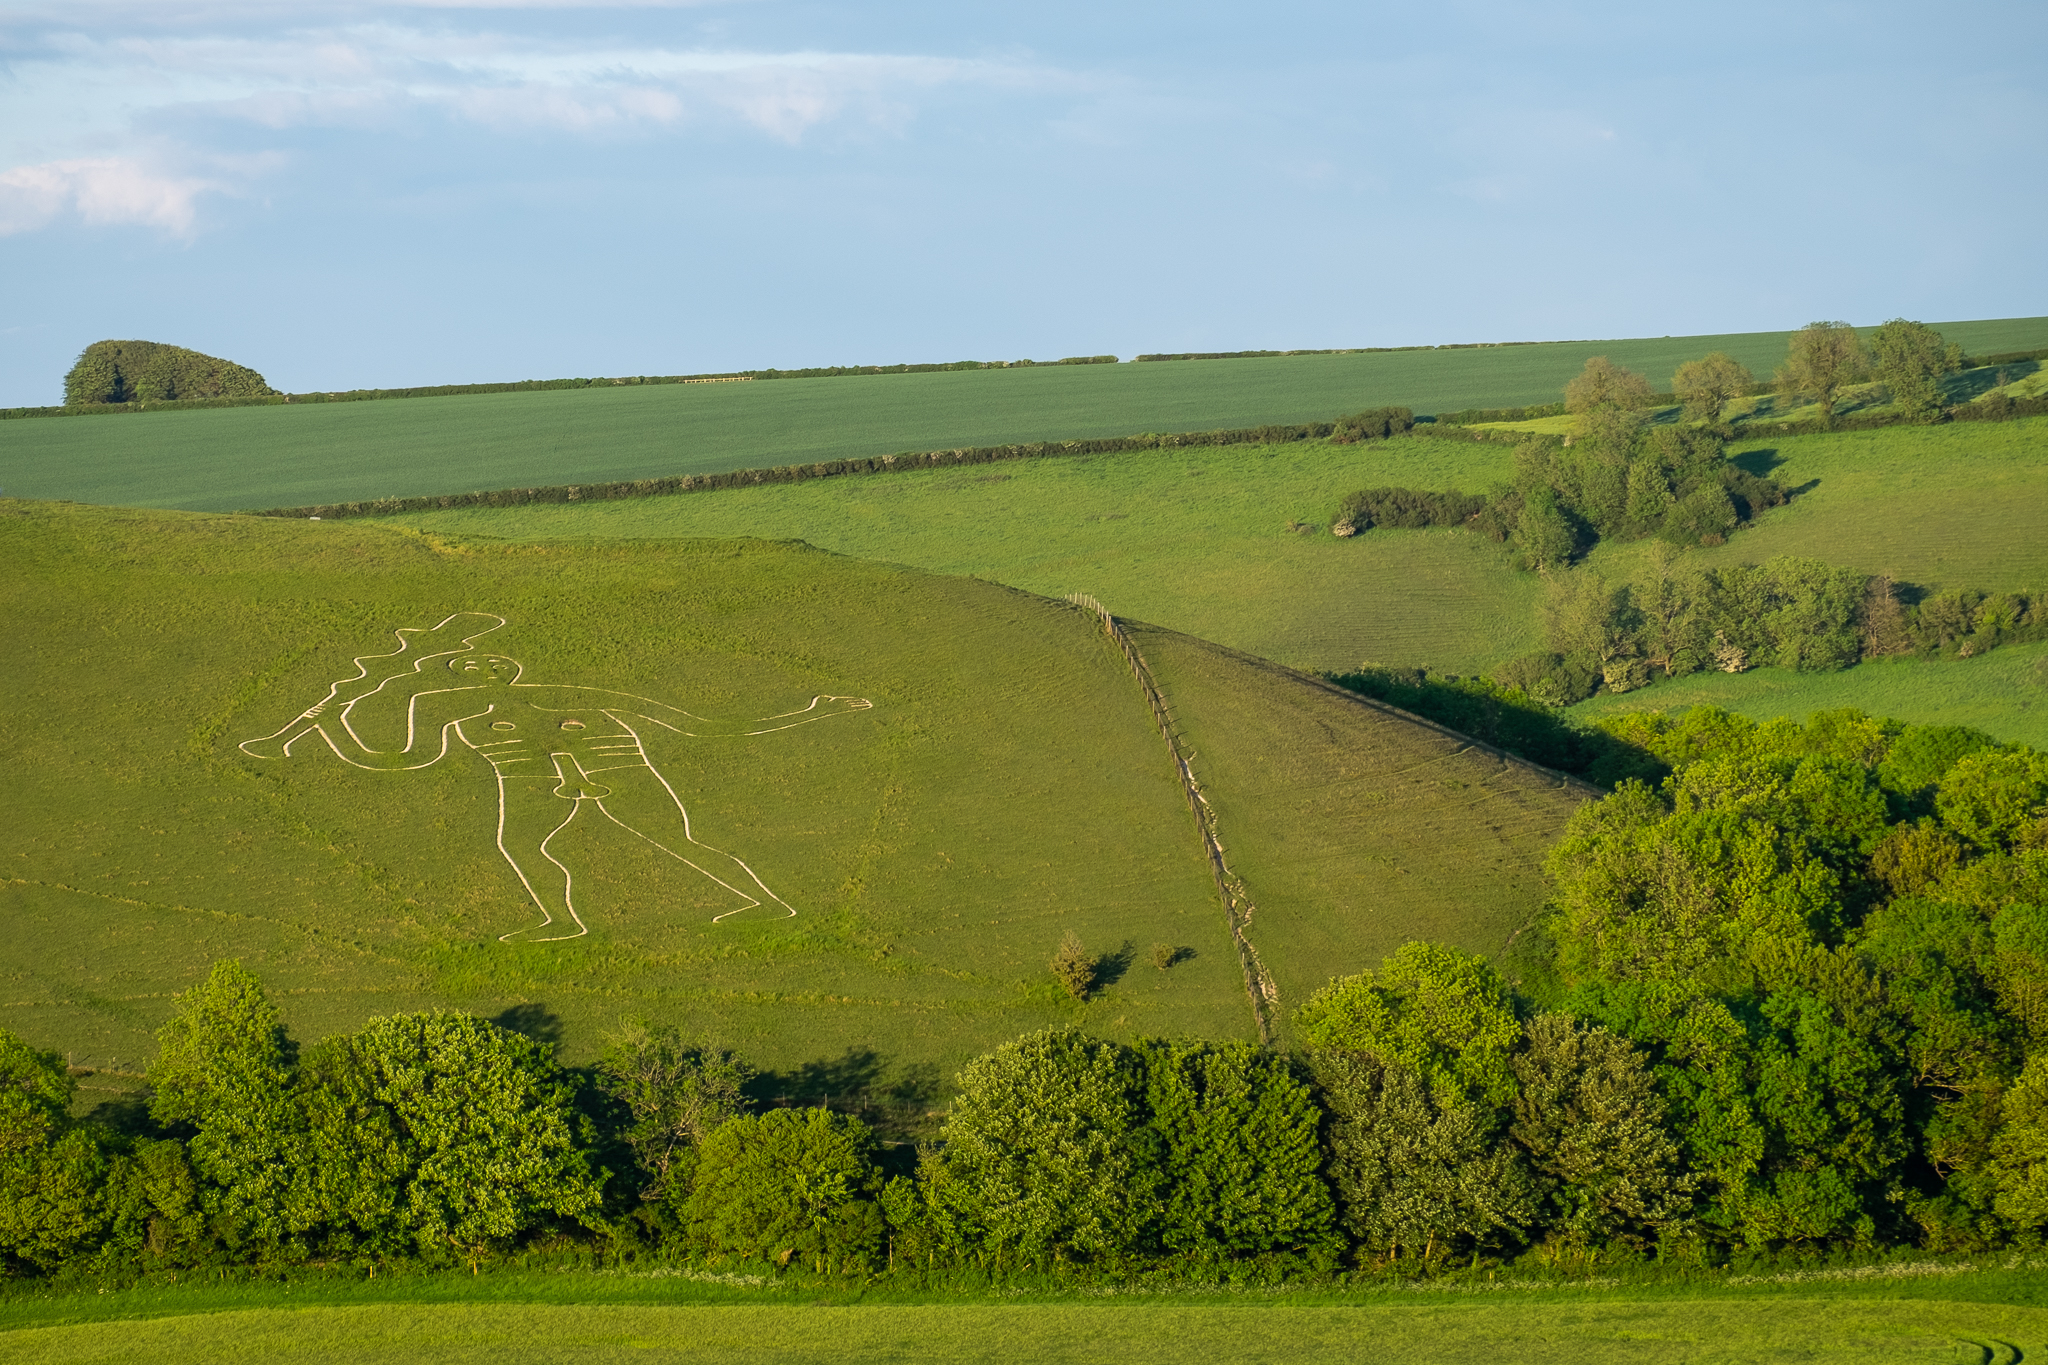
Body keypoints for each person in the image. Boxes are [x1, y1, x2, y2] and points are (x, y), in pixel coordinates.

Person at [241, 612, 872, 941]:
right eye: (469, 666)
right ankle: (561, 921)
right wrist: (330, 727)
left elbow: (694, 726)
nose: (483, 670)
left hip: (611, 767)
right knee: (518, 845)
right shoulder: (439, 710)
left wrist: (810, 710)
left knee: (679, 842)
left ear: (509, 670)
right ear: (454, 679)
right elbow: (402, 762)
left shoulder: (568, 691)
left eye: (492, 662)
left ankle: (766, 902)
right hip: (530, 782)